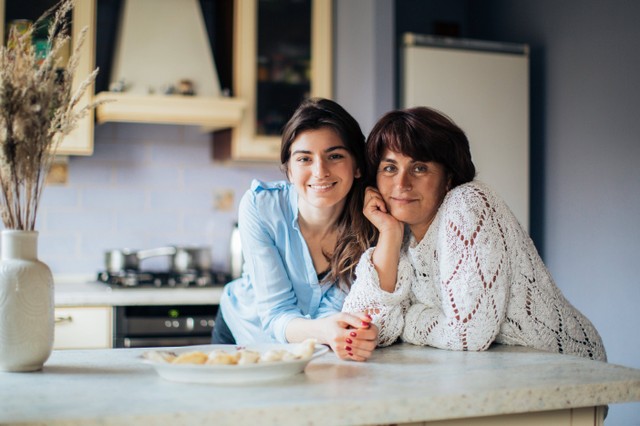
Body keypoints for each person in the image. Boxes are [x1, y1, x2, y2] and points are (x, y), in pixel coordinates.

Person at [343, 106, 606, 361]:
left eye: (420, 167)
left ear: (448, 178)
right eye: (390, 168)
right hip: (506, 370)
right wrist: (389, 234)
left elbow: (469, 334)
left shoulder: (468, 203)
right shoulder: (402, 236)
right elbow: (360, 328)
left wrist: (410, 319)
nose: (401, 183)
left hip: (566, 362)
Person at [213, 98, 378, 362]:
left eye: (334, 156)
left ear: (357, 166)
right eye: (304, 159)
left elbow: (338, 314)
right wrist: (326, 330)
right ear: (289, 170)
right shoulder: (261, 206)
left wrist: (332, 330)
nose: (320, 171)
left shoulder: (372, 223)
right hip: (245, 334)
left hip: (318, 347)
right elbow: (276, 312)